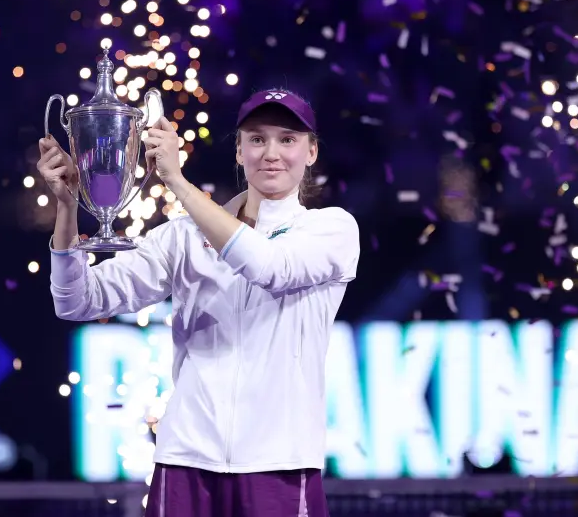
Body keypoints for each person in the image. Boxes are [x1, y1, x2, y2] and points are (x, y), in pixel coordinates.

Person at [37, 89, 360, 517]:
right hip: (185, 461)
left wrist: (179, 185)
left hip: (279, 465)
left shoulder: (330, 229)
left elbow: (270, 268)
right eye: (257, 139)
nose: (272, 153)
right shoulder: (183, 236)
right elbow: (78, 301)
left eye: (287, 139)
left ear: (311, 152)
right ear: (240, 151)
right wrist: (66, 209)